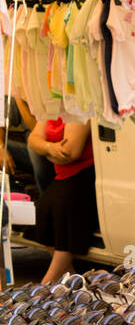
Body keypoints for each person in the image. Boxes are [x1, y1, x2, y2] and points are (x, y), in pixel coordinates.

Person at [26, 114, 98, 283]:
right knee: (41, 214)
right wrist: (50, 148)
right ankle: (72, 278)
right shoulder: (50, 109)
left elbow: (70, 152)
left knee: (65, 218)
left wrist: (43, 149)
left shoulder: (78, 109)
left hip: (84, 175)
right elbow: (32, 140)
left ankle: (46, 284)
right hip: (63, 175)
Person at [0, 98, 54, 196]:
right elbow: (1, 123)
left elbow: (36, 129)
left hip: (48, 151)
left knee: (33, 147)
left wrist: (19, 100)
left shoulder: (42, 93)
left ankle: (45, 199)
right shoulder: (16, 93)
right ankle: (10, 193)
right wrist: (1, 147)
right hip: (28, 154)